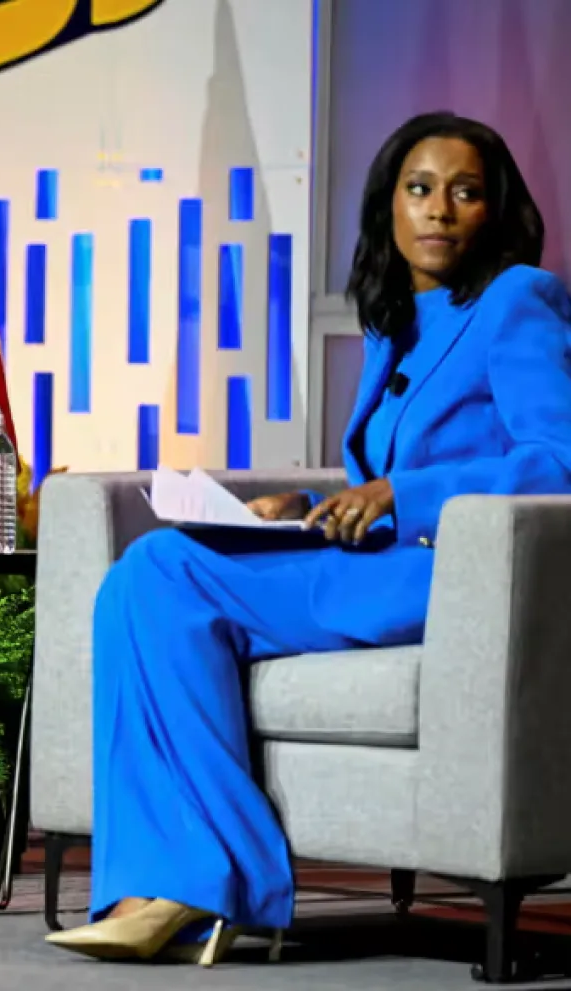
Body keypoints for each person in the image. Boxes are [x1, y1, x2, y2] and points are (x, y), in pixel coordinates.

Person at [46, 112, 570, 964]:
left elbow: (555, 462)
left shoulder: (517, 301)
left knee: (164, 572)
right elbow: (384, 464)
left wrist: (401, 494)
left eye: (464, 193)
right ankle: (166, 885)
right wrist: (309, 503)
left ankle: (207, 884)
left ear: (493, 211)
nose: (439, 209)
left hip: (443, 576)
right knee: (145, 577)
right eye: (420, 189)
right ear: (389, 209)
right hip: (371, 560)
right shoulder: (396, 318)